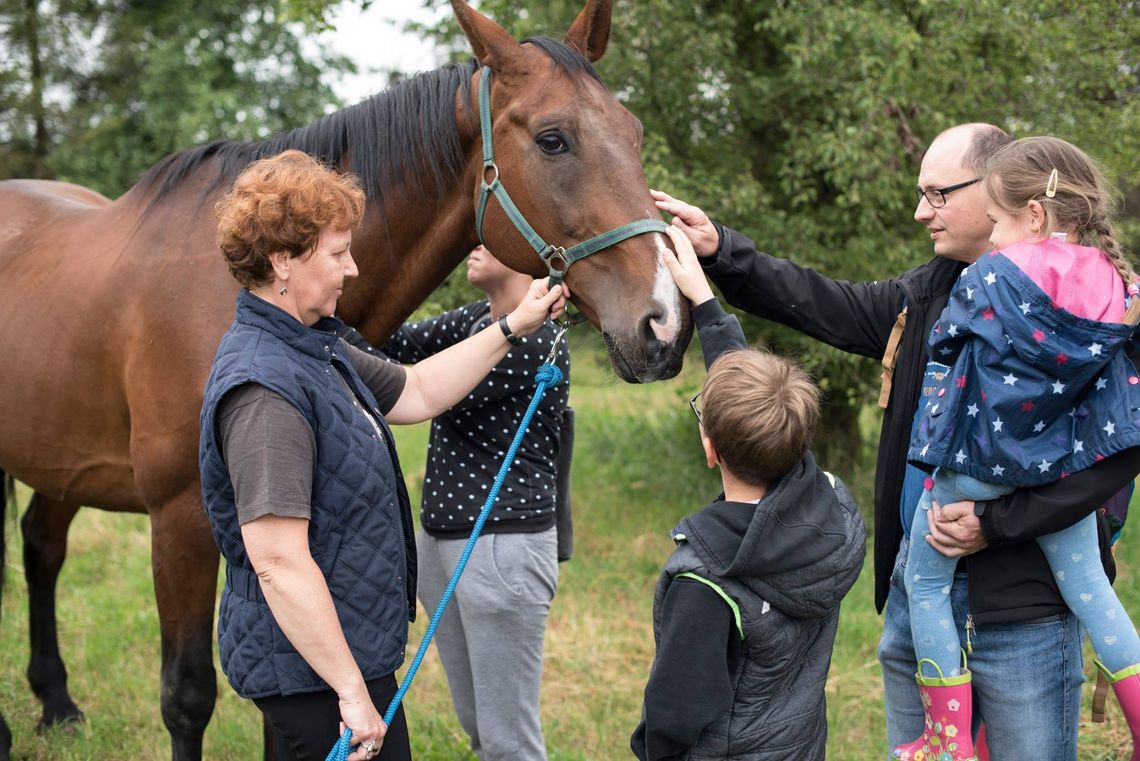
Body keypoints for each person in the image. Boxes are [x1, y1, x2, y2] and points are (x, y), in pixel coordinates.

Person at [652, 123, 1140, 759]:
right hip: (920, 600)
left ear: (1007, 193)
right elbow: (825, 303)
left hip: (1023, 613)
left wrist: (998, 522)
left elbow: (1117, 453)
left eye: (937, 195)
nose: (920, 212)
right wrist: (721, 251)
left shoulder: (1095, 308)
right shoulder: (931, 292)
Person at [197, 150, 567, 761]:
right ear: (283, 260)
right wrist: (349, 693)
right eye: (338, 253)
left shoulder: (314, 348)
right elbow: (278, 563)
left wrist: (512, 327)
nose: (354, 267)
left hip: (336, 649)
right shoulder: (265, 388)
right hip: (313, 671)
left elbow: (417, 389)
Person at [897, 136, 1140, 760]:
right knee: (1092, 590)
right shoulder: (1121, 288)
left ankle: (947, 740)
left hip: (975, 468)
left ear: (1034, 215)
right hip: (1056, 477)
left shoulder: (990, 277)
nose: (995, 237)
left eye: (999, 222)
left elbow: (946, 342)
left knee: (925, 587)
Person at [630, 226, 865, 760]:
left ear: (709, 448)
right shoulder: (829, 503)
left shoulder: (706, 580)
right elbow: (764, 414)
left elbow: (675, 714)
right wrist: (707, 305)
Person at [378, 244, 570, 761]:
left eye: (493, 239)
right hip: (445, 547)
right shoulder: (474, 322)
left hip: (500, 552)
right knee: (483, 731)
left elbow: (412, 387)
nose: (475, 245)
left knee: (509, 743)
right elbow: (390, 341)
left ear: (530, 255)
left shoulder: (536, 341)